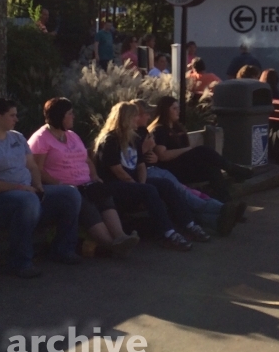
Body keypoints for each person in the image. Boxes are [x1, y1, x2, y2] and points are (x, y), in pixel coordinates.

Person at [0, 99, 82, 277]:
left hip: (27, 193)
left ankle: (62, 249)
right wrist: (21, 188)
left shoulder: (17, 137)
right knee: (27, 200)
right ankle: (20, 262)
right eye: (12, 115)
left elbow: (33, 166)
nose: (16, 119)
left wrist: (37, 187)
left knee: (70, 194)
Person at [28, 98, 140, 258]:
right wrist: (60, 184)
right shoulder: (41, 139)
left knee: (102, 193)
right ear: (60, 116)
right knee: (84, 203)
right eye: (70, 114)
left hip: (86, 182)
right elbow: (37, 169)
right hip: (64, 188)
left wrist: (94, 176)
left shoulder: (72, 135)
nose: (73, 116)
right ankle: (110, 244)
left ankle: (121, 236)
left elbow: (86, 159)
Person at [92, 101, 200, 250]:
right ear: (126, 118)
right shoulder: (110, 140)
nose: (139, 119)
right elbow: (118, 171)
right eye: (135, 116)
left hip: (133, 183)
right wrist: (139, 187)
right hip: (113, 185)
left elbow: (141, 165)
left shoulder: (134, 137)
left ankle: (189, 224)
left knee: (165, 184)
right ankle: (167, 233)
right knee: (148, 190)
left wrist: (141, 184)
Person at [133, 100, 245, 237]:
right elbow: (153, 156)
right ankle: (223, 207)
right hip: (164, 171)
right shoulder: (155, 130)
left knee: (209, 170)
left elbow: (150, 154)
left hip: (160, 171)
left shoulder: (170, 129)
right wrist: (185, 150)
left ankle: (220, 216)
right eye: (174, 108)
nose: (149, 116)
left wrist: (151, 155)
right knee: (184, 192)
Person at [148, 96, 253, 201]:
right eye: (174, 109)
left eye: (178, 108)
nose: (178, 111)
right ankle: (232, 169)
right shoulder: (160, 130)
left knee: (212, 169)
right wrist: (187, 150)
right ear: (165, 110)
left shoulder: (177, 128)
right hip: (171, 170)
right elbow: (162, 155)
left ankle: (226, 204)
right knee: (203, 150)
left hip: (185, 167)